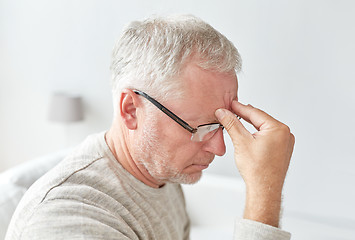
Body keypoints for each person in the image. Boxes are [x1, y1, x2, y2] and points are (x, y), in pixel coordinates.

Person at [6, 14, 295, 240]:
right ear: (131, 110)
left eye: (221, 126)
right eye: (200, 128)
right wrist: (264, 190)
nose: (219, 149)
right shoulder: (67, 219)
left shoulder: (162, 174)